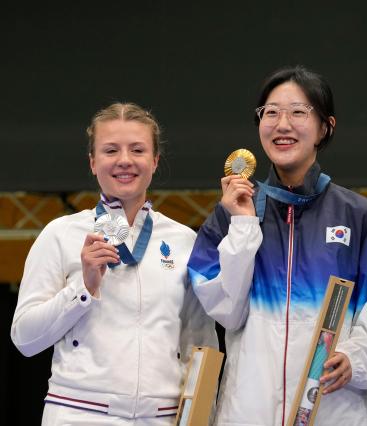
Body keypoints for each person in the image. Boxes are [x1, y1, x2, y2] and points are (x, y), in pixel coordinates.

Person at [187, 65, 367, 425]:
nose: (282, 124)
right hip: (250, 410)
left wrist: (356, 360)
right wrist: (242, 224)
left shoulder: (359, 216)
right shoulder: (232, 211)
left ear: (325, 127)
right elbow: (227, 312)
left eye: (298, 112)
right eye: (271, 112)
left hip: (336, 408)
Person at [11, 102, 217, 425]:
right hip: (79, 414)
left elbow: (201, 343)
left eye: (137, 149)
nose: (124, 160)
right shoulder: (61, 234)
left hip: (161, 417)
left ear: (154, 160)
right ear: (93, 162)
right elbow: (24, 338)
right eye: (110, 150)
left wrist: (204, 418)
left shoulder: (183, 241)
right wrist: (84, 288)